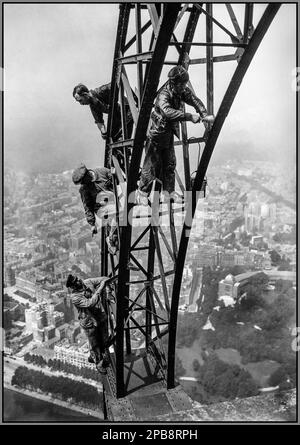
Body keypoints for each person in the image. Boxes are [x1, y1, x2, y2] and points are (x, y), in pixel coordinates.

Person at [137, 66, 214, 205]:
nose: (184, 87)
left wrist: (204, 114)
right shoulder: (163, 95)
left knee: (170, 164)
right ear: (175, 83)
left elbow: (193, 100)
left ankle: (169, 194)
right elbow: (167, 112)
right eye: (182, 84)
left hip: (167, 133)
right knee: (151, 165)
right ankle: (142, 193)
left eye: (185, 84)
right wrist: (189, 116)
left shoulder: (180, 90)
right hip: (156, 135)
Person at [66, 274, 113, 374]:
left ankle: (97, 356)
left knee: (104, 339)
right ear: (73, 287)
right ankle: (99, 363)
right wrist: (100, 288)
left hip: (100, 315)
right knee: (94, 343)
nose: (79, 280)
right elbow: (90, 303)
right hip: (89, 321)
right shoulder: (75, 297)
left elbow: (104, 279)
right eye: (76, 281)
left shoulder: (88, 282)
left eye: (78, 278)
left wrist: (107, 289)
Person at [72, 163, 119, 254]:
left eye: (83, 181)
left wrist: (115, 175)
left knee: (119, 216)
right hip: (101, 208)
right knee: (119, 211)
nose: (83, 184)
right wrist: (92, 224)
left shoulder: (102, 171)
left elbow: (115, 179)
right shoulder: (84, 189)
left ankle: (112, 238)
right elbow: (87, 207)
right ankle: (111, 239)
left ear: (87, 174)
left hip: (113, 201)